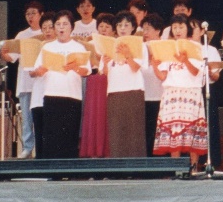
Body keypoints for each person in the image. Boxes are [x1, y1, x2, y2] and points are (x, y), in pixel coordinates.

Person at [30, 10, 91, 159]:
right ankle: (52, 172)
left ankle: (69, 171)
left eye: (65, 24)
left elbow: (87, 71)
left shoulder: (79, 47)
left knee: (70, 134)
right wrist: (40, 71)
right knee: (51, 134)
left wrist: (75, 67)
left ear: (71, 27)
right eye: (58, 24)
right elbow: (34, 71)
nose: (61, 27)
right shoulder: (47, 47)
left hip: (72, 96)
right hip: (52, 95)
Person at [151, 14, 207, 167]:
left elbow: (196, 72)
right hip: (172, 93)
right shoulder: (167, 47)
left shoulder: (195, 47)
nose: (177, 30)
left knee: (191, 131)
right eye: (174, 27)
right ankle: (177, 168)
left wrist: (185, 60)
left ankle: (194, 167)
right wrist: (155, 65)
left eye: (181, 27)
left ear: (187, 28)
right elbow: (163, 75)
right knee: (173, 132)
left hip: (190, 93)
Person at [0, 1, 43, 159]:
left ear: (41, 15)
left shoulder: (46, 33)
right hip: (25, 82)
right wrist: (4, 54)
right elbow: (12, 58)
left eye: (33, 13)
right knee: (26, 118)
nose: (30, 16)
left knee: (41, 118)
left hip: (41, 82)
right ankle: (27, 147)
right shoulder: (22, 35)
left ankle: (41, 148)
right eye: (28, 14)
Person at [101, 11, 147, 157]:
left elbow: (135, 68)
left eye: (126, 25)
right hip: (114, 92)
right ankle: (118, 167)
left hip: (133, 91)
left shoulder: (139, 44)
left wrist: (127, 54)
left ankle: (136, 168)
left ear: (133, 27)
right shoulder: (109, 44)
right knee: (116, 131)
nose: (122, 28)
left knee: (134, 131)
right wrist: (106, 63)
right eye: (119, 25)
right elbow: (105, 73)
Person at [79, 12, 114, 158]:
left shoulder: (115, 43)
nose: (104, 29)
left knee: (107, 117)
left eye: (107, 27)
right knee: (94, 116)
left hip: (109, 80)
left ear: (113, 30)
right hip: (94, 81)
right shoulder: (91, 43)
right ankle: (93, 151)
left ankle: (107, 152)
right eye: (101, 26)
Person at [190, 18, 223, 167]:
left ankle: (210, 161)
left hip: (206, 89)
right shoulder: (183, 48)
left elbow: (216, 76)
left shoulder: (210, 50)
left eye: (194, 29)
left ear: (202, 31)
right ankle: (191, 162)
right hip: (189, 90)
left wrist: (209, 69)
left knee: (209, 125)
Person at [27, 11, 56, 158]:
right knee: (40, 132)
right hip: (38, 97)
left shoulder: (60, 47)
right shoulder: (36, 47)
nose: (48, 31)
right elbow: (29, 71)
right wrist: (36, 71)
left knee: (53, 133)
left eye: (51, 27)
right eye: (44, 28)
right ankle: (40, 166)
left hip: (55, 96)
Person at [140, 12, 166, 156]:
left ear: (158, 30)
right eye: (143, 29)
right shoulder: (141, 47)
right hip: (144, 96)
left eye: (148, 28)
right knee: (146, 132)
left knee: (160, 133)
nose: (145, 32)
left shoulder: (165, 46)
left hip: (160, 96)